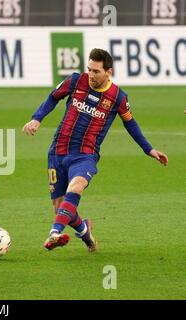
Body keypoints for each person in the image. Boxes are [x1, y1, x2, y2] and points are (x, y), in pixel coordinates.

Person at [22, 48, 168, 252]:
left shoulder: (118, 97)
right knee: (61, 207)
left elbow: (130, 123)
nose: (91, 75)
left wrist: (148, 149)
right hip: (57, 151)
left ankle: (53, 233)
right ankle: (85, 232)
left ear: (109, 72)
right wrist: (37, 118)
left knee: (76, 187)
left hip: (85, 155)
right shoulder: (75, 81)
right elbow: (53, 96)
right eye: (89, 69)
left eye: (96, 71)